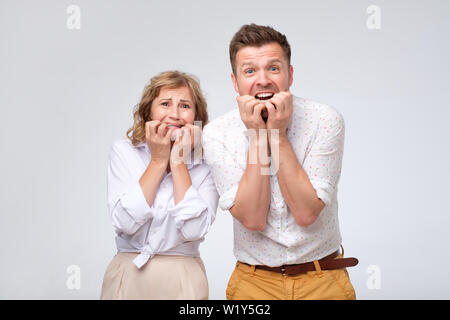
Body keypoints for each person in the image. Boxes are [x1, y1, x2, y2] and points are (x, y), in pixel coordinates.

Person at [202, 24, 358, 300]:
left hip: (324, 280)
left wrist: (277, 133)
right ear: (235, 81)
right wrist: (258, 137)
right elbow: (252, 218)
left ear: (290, 74)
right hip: (254, 285)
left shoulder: (325, 119)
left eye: (273, 68)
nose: (262, 80)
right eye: (249, 71)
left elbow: (306, 213)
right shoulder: (216, 132)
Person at [101, 71, 219, 300]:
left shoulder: (208, 164)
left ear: (196, 117)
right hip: (129, 273)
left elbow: (194, 230)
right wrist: (158, 160)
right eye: (165, 104)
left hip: (184, 278)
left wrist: (178, 160)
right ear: (149, 112)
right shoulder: (124, 152)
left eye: (184, 105)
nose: (174, 114)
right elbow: (124, 222)